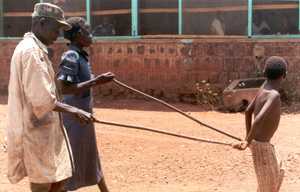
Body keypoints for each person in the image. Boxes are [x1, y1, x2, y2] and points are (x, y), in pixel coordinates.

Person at [7, 3, 94, 192]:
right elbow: (43, 100)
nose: (58, 35)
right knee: (42, 184)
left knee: (58, 179)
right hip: (35, 131)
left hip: (43, 129)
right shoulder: (31, 53)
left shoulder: (36, 49)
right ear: (42, 23)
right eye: (56, 29)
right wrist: (75, 110)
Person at [57, 17, 114, 192]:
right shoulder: (71, 56)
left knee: (91, 155)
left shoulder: (80, 55)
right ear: (79, 34)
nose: (91, 36)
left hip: (83, 115)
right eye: (88, 32)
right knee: (72, 160)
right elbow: (65, 89)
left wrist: (98, 81)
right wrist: (97, 81)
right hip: (74, 117)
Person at [232, 56, 287, 192]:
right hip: (262, 147)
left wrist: (248, 139)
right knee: (268, 187)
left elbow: (248, 111)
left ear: (264, 73)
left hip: (263, 144)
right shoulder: (274, 95)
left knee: (280, 170)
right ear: (284, 75)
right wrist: (247, 141)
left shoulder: (263, 88)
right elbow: (258, 118)